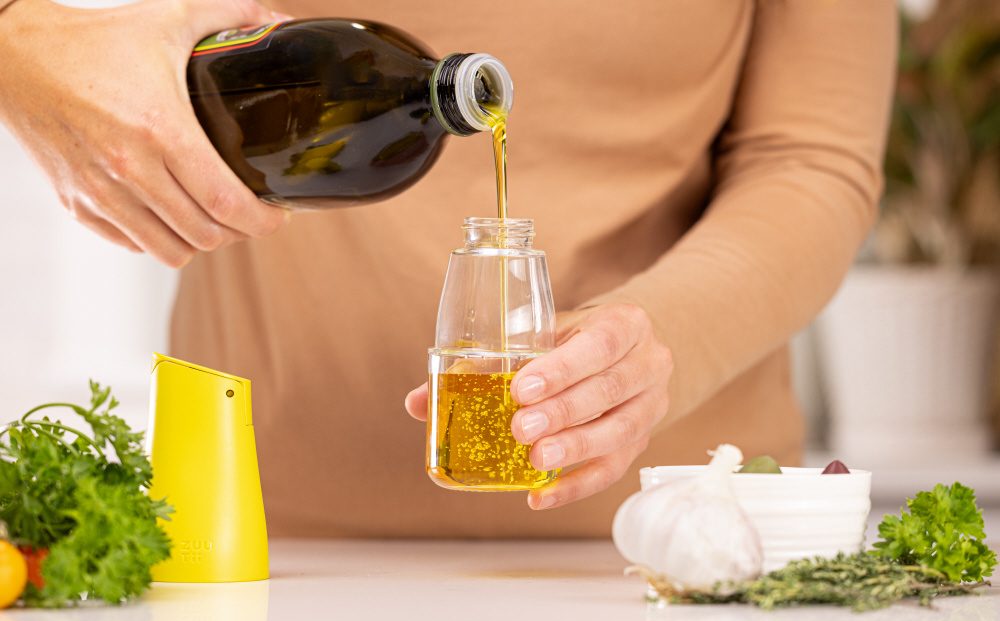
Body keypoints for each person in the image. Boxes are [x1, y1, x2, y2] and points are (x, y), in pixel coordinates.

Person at [0, 0, 897, 537]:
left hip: (671, 552)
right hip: (264, 555)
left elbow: (811, 159)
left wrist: (660, 342)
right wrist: (20, 40)